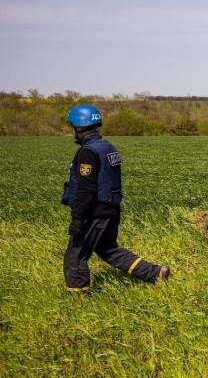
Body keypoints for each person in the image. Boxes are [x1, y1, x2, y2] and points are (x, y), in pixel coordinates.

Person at [61, 105, 169, 291]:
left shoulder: (88, 152)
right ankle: (154, 273)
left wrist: (78, 218)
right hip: (110, 209)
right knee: (108, 249)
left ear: (79, 127)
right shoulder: (107, 147)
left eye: (73, 127)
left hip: (94, 212)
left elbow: (85, 189)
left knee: (75, 257)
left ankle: (77, 297)